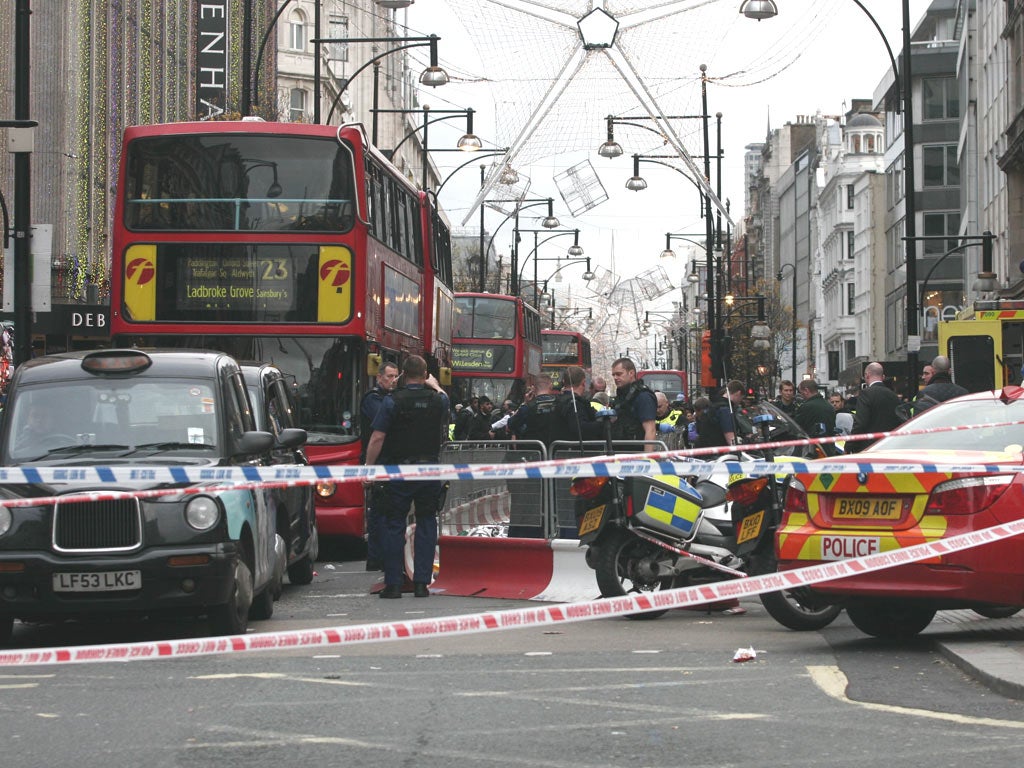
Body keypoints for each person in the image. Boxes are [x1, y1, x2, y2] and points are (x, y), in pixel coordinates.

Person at [364, 355, 450, 599]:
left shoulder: (392, 401)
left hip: (398, 471)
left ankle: (393, 584)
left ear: (402, 374)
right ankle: (422, 583)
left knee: (394, 524)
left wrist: (369, 468)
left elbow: (377, 437)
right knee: (426, 522)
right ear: (425, 375)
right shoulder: (438, 400)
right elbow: (444, 397)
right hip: (429, 471)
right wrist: (434, 385)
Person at [359, 361, 399, 571]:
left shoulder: (390, 399)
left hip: (389, 461)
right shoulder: (373, 399)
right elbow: (383, 425)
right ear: (379, 377)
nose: (392, 381)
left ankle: (382, 555)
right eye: (389, 377)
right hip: (378, 463)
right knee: (379, 512)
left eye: (395, 377)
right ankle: (375, 557)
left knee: (386, 510)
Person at [848, 361, 903, 453]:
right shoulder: (893, 396)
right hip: (889, 446)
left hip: (869, 447)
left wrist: (850, 445)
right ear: (883, 377)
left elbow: (860, 423)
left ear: (867, 375)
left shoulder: (866, 394)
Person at [609, 357, 657, 445]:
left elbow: (650, 430)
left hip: (636, 453)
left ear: (631, 373)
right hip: (620, 451)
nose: (615, 378)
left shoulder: (643, 396)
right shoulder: (620, 397)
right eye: (613, 375)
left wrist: (647, 458)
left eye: (619, 374)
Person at [508, 373, 561, 448]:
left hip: (533, 452)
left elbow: (511, 424)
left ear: (534, 388)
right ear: (551, 386)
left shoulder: (528, 406)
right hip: (555, 451)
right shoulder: (560, 404)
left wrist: (524, 403)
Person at [556, 365, 604, 444]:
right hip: (575, 451)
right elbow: (581, 428)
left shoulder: (555, 401)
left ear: (564, 381)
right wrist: (603, 424)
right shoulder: (577, 404)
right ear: (583, 382)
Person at [694, 381, 744, 448]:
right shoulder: (725, 410)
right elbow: (731, 441)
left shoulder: (714, 406)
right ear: (738, 393)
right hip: (718, 454)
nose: (740, 401)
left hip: (705, 452)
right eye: (741, 398)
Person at [794, 379, 836, 454]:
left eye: (801, 393)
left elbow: (796, 427)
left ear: (806, 390)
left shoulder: (806, 407)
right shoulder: (829, 406)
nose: (802, 396)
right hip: (829, 448)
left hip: (812, 450)